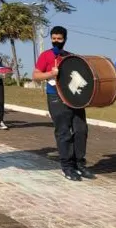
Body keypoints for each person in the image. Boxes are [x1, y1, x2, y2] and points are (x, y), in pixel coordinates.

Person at [32, 26, 94, 182]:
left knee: (81, 130)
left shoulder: (70, 57)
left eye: (59, 39)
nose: (56, 41)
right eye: (53, 38)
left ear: (65, 39)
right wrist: (50, 74)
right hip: (55, 98)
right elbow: (36, 76)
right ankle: (67, 167)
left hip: (74, 99)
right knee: (64, 133)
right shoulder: (46, 56)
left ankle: (79, 164)